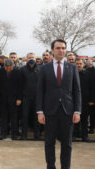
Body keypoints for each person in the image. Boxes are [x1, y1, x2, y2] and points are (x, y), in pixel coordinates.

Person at [36, 39, 81, 169]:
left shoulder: (72, 67)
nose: (61, 50)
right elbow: (40, 91)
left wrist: (77, 111)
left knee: (67, 143)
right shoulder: (44, 68)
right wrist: (40, 111)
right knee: (49, 142)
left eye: (63, 48)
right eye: (58, 48)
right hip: (49, 111)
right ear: (52, 50)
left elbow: (77, 90)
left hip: (68, 111)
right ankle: (51, 166)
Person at [0, 59, 22, 140]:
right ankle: (3, 134)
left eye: (9, 67)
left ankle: (14, 134)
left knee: (14, 118)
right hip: (3, 98)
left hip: (14, 99)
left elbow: (20, 87)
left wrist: (19, 98)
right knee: (4, 117)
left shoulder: (18, 72)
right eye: (6, 67)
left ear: (13, 66)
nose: (8, 69)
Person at [20, 52, 41, 140]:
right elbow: (19, 84)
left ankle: (37, 135)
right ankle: (24, 135)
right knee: (25, 116)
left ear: (35, 58)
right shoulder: (22, 70)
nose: (31, 59)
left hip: (37, 97)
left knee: (36, 117)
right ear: (26, 59)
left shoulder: (41, 69)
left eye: (32, 57)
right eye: (29, 58)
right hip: (26, 97)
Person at [73, 58, 93, 142]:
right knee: (73, 119)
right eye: (77, 63)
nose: (78, 65)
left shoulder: (88, 74)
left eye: (80, 63)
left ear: (83, 64)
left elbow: (92, 88)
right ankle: (73, 135)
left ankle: (85, 136)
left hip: (85, 101)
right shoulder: (71, 74)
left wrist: (92, 100)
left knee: (84, 120)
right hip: (73, 101)